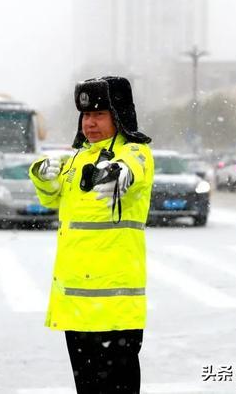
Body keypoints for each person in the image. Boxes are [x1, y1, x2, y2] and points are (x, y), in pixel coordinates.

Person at [29, 76, 154, 393]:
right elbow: (52, 198)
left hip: (115, 310)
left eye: (99, 114)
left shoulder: (136, 153)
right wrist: (44, 178)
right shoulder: (77, 160)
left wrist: (117, 173)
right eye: (86, 116)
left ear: (119, 115)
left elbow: (133, 169)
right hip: (76, 308)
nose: (90, 123)